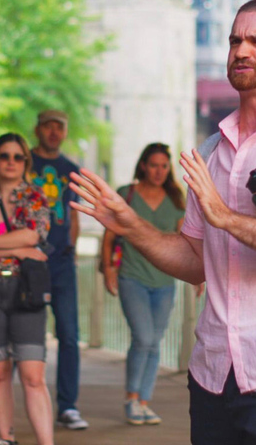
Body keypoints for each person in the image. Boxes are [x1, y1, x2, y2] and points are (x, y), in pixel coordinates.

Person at [69, 0, 256, 444]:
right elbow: (195, 260)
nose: (240, 50)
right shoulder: (212, 151)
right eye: (234, 40)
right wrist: (130, 225)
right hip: (211, 371)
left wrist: (226, 218)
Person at [0, 133, 54, 445]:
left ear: (25, 162)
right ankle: (6, 438)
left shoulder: (36, 198)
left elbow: (33, 236)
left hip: (25, 291)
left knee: (33, 374)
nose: (11, 162)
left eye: (18, 157)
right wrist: (15, 249)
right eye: (4, 156)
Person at [101, 143, 186, 425]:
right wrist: (109, 270)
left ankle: (144, 402)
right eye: (154, 165)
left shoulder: (175, 199)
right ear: (143, 166)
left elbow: (185, 242)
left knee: (154, 342)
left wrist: (195, 276)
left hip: (164, 282)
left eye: (164, 165)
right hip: (132, 277)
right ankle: (131, 398)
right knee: (144, 339)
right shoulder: (128, 194)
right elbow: (110, 236)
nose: (159, 171)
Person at [29, 110, 87, 430]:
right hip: (29, 258)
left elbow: (74, 215)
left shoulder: (71, 170)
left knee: (68, 333)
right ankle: (10, 395)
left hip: (62, 260)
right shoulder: (23, 162)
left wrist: (72, 250)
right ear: (38, 130)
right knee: (24, 332)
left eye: (60, 127)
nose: (54, 132)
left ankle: (68, 406)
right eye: (48, 126)